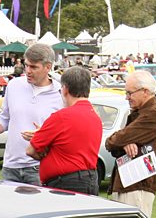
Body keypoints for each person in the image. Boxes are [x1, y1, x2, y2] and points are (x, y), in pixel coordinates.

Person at [0, 42, 63, 185]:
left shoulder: (60, 94)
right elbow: (5, 119)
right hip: (10, 166)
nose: (28, 70)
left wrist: (43, 135)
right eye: (26, 65)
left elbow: (64, 133)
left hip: (39, 167)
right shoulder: (14, 86)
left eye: (33, 67)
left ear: (48, 67)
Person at [26, 66, 103, 195]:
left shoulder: (61, 117)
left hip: (66, 183)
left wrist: (43, 140)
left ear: (65, 90)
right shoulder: (95, 117)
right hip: (89, 178)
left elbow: (30, 150)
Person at [103, 70, 156, 218]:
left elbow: (114, 141)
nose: (127, 97)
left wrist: (121, 142)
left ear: (145, 91)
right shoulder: (139, 113)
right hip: (128, 183)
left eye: (130, 93)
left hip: (138, 185)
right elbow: (115, 145)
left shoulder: (153, 114)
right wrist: (124, 144)